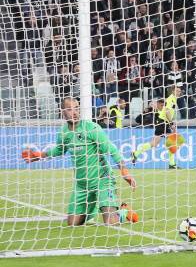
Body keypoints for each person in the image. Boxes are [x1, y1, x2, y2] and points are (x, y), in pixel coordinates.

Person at [22, 97, 137, 226]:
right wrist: (38, 155)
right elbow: (59, 150)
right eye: (70, 109)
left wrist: (124, 171)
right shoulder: (64, 133)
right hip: (82, 185)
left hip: (102, 180)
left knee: (111, 222)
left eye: (76, 108)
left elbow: (112, 149)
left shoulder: (91, 128)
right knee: (72, 224)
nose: (74, 112)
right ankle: (94, 206)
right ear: (63, 112)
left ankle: (123, 212)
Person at [131, 85, 182, 169]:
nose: (179, 92)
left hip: (161, 122)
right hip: (164, 122)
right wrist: (171, 123)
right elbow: (167, 111)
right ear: (173, 91)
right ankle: (172, 164)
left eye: (179, 91)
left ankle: (136, 153)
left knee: (155, 143)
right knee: (174, 142)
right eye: (177, 91)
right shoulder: (170, 99)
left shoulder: (173, 99)